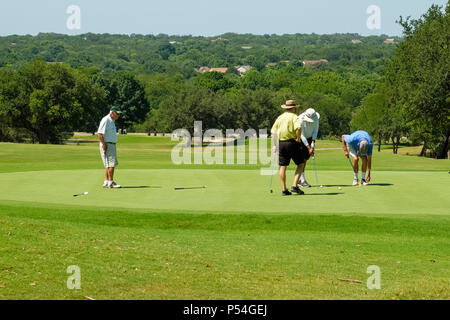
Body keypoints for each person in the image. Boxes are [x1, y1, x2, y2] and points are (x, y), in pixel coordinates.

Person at [271, 100, 305, 196]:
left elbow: (273, 132)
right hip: (292, 142)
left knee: (283, 166)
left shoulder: (280, 117)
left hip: (281, 143)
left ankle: (284, 189)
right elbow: (298, 128)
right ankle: (294, 185)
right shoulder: (294, 117)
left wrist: (275, 145)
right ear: (293, 108)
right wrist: (298, 139)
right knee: (300, 164)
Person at [98, 106, 122, 189]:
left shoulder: (112, 120)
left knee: (108, 164)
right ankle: (111, 182)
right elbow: (100, 134)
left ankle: (106, 181)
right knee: (111, 164)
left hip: (109, 144)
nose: (118, 116)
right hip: (108, 144)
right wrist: (104, 145)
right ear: (112, 112)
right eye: (117, 114)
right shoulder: (106, 120)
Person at [297, 108, 320, 188]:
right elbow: (302, 135)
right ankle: (301, 180)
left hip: (310, 138)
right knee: (301, 159)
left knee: (306, 158)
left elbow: (315, 130)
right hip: (300, 138)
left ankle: (300, 179)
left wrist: (313, 141)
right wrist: (308, 147)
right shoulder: (300, 119)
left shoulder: (316, 118)